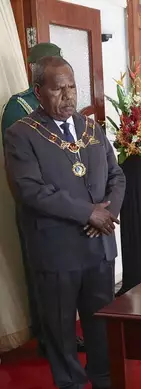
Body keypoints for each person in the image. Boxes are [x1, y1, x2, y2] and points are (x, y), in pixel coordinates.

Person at [3, 56, 125, 389]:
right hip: (56, 251)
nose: (68, 95)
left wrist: (108, 211)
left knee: (101, 324)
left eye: (71, 86)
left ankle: (104, 381)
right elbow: (30, 190)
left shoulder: (92, 127)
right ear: (39, 92)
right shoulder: (21, 134)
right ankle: (70, 385)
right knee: (59, 329)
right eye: (58, 88)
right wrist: (89, 213)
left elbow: (116, 175)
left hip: (98, 247)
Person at [1, 42, 85, 354]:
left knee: (69, 282)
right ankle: (49, 338)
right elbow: (23, 167)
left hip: (70, 208)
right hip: (40, 208)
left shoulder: (66, 105)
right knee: (45, 280)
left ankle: (63, 335)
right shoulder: (18, 107)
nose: (66, 92)